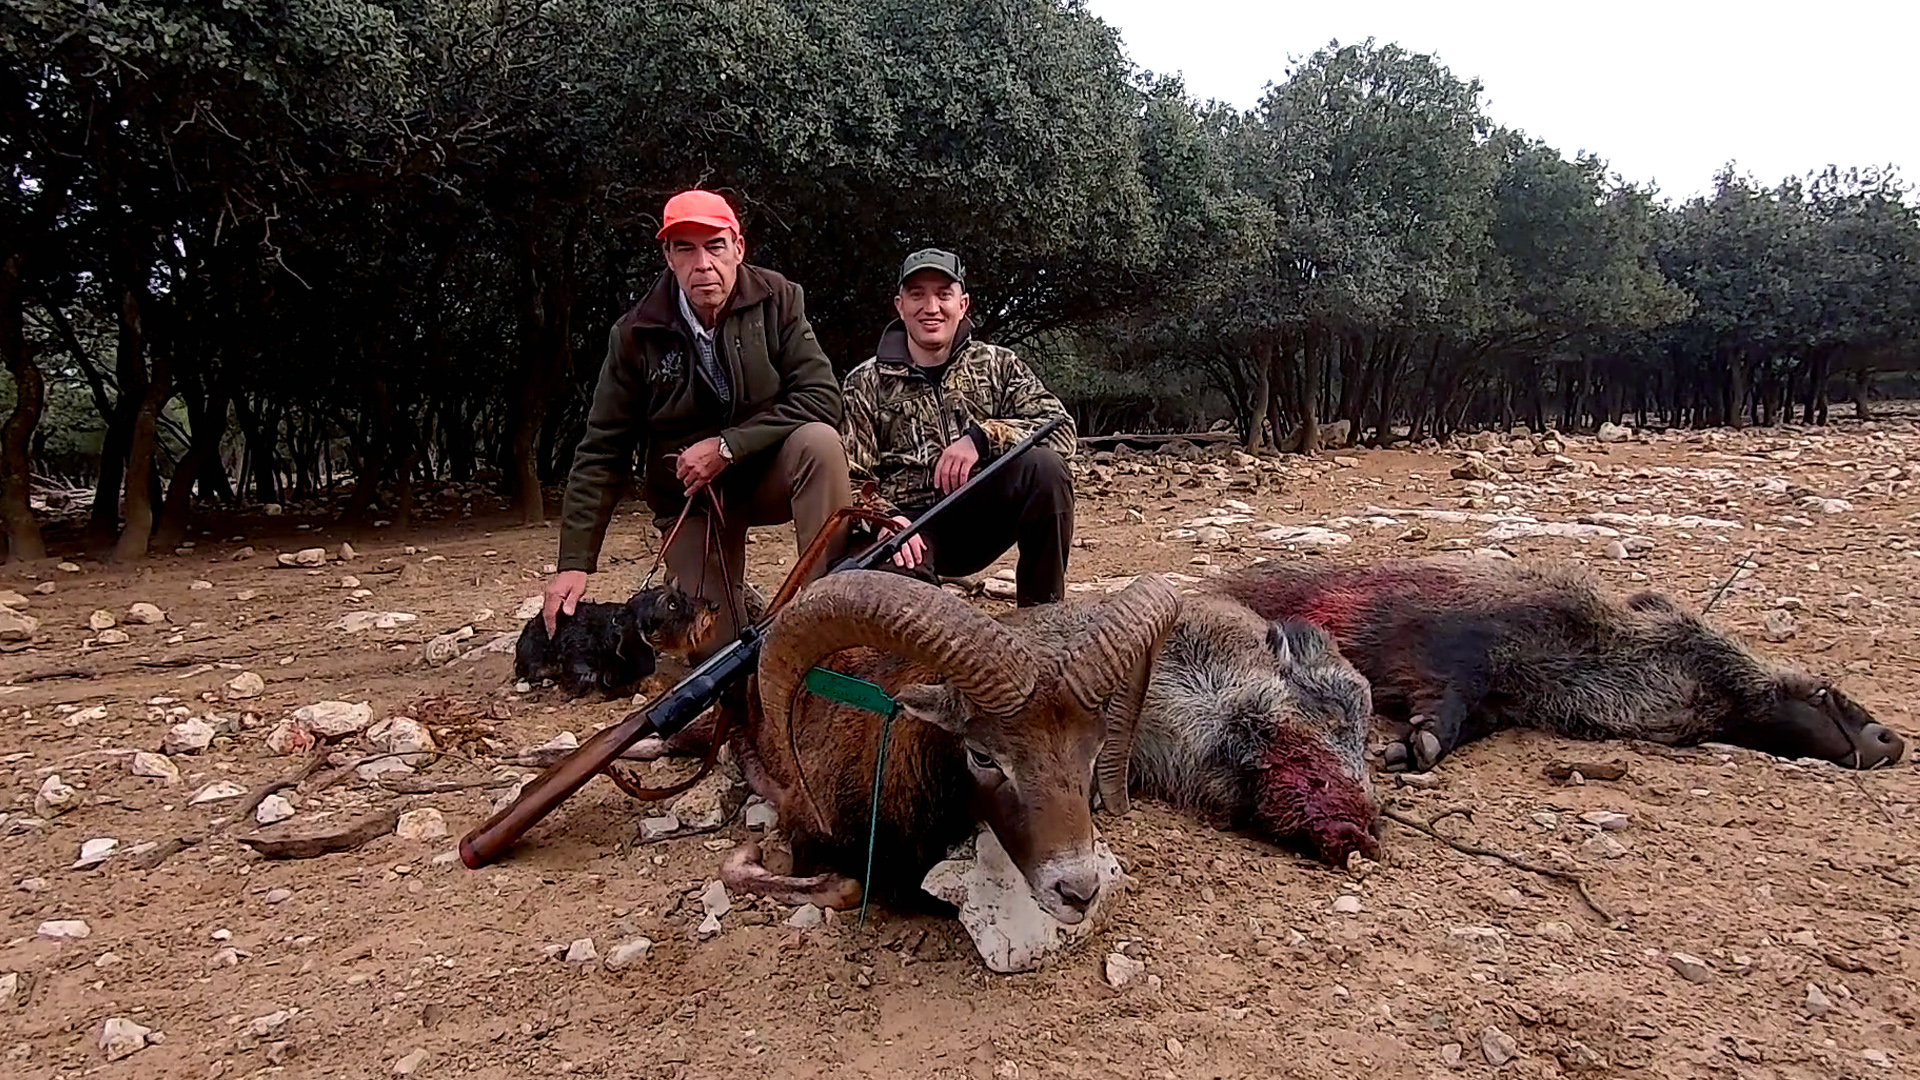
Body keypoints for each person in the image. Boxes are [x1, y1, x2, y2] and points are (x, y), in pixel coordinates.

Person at [545, 188, 852, 657]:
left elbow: (822, 397)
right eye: (685, 248)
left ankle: (827, 613)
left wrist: (729, 447)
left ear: (739, 248)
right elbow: (601, 450)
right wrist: (574, 564)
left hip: (766, 476)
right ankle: (717, 592)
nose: (702, 263)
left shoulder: (781, 299)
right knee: (716, 649)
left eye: (715, 246)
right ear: (667, 256)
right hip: (692, 501)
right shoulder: (633, 335)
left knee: (820, 443)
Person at [840, 247, 1078, 607]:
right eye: (917, 295)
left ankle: (1043, 615)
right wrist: (887, 521)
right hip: (907, 527)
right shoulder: (864, 382)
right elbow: (850, 480)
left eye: (943, 294)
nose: (931, 307)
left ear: (963, 304)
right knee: (896, 597)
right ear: (899, 305)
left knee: (1046, 470)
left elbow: (1060, 429)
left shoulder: (998, 364)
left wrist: (983, 438)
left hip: (979, 515)